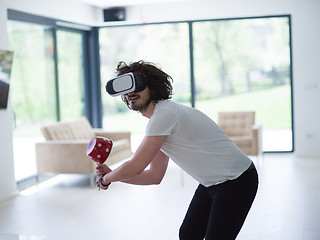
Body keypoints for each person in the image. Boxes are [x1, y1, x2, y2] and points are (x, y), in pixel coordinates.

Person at [96, 60, 259, 240]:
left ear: (153, 87)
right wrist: (113, 176)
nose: (131, 92)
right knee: (189, 234)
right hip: (212, 183)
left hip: (237, 181)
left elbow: (135, 167)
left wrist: (106, 179)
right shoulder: (160, 120)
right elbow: (154, 176)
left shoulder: (164, 115)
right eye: (127, 88)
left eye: (138, 84)